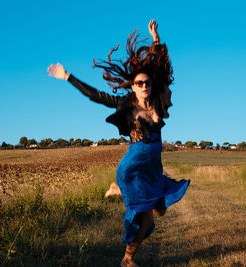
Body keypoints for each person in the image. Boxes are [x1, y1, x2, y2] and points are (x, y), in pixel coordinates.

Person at [47, 20, 190, 267]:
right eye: (139, 83)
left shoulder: (156, 99)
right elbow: (95, 95)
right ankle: (128, 259)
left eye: (147, 82)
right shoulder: (126, 105)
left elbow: (160, 67)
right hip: (133, 167)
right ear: (132, 86)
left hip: (153, 166)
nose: (144, 86)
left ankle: (118, 190)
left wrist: (156, 39)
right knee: (145, 221)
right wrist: (68, 76)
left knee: (161, 209)